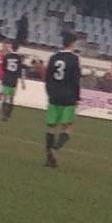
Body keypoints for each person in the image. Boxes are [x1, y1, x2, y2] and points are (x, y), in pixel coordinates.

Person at [44, 33, 81, 169]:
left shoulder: (53, 58)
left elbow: (47, 78)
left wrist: (50, 93)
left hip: (54, 96)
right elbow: (76, 81)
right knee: (68, 126)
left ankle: (49, 158)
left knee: (51, 126)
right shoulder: (74, 59)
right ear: (72, 44)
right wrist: (77, 98)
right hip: (68, 96)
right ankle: (55, 148)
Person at [0, 42, 27, 120]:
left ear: (11, 47)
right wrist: (22, 82)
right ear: (18, 48)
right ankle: (8, 115)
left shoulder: (7, 56)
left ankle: (3, 114)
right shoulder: (19, 58)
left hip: (6, 78)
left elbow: (3, 68)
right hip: (14, 80)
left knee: (4, 97)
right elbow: (20, 70)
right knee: (11, 98)